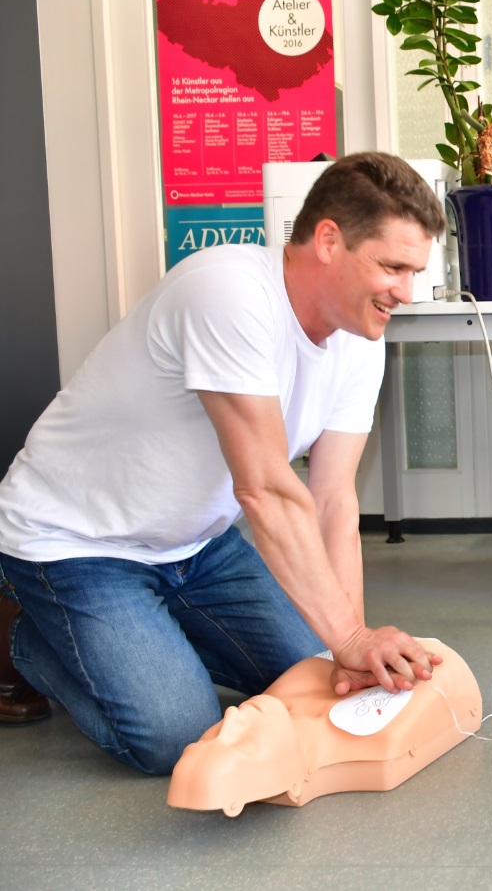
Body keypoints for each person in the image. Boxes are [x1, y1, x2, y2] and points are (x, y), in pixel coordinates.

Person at [0, 152, 448, 773]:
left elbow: (333, 500)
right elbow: (265, 487)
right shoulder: (228, 292)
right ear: (328, 240)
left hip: (197, 546)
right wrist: (348, 639)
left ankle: (143, 640)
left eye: (414, 271)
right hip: (77, 543)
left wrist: (349, 645)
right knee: (176, 738)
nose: (406, 290)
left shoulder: (359, 336)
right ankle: (29, 639)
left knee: (319, 682)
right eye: (393, 267)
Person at [166, 637, 480, 816]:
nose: (232, 716)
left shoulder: (286, 692)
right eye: (239, 742)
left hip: (205, 549)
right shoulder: (378, 738)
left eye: (213, 736)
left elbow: (339, 526)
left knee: (308, 638)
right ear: (292, 782)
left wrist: (355, 637)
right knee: (166, 737)